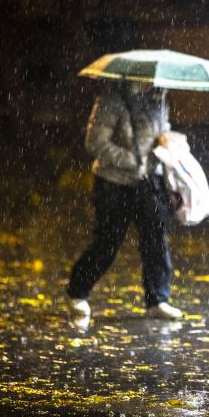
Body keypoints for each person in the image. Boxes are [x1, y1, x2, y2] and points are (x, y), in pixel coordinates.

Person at [66, 81, 183, 320]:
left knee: (156, 241)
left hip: (150, 181)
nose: (152, 82)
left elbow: (161, 130)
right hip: (113, 182)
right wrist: (133, 161)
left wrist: (166, 143)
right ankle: (77, 292)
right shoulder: (111, 100)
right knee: (107, 242)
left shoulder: (159, 99)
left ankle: (158, 299)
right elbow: (95, 142)